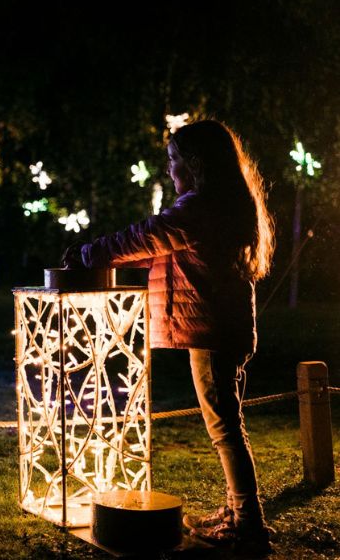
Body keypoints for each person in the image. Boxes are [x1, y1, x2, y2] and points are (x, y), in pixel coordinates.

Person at [62, 119, 276, 554]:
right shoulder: (224, 203)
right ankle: (238, 510)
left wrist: (87, 253)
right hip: (225, 328)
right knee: (227, 425)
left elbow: (148, 236)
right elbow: (168, 251)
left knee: (224, 428)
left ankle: (249, 525)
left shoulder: (201, 207)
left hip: (214, 332)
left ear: (196, 164)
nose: (169, 170)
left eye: (174, 160)